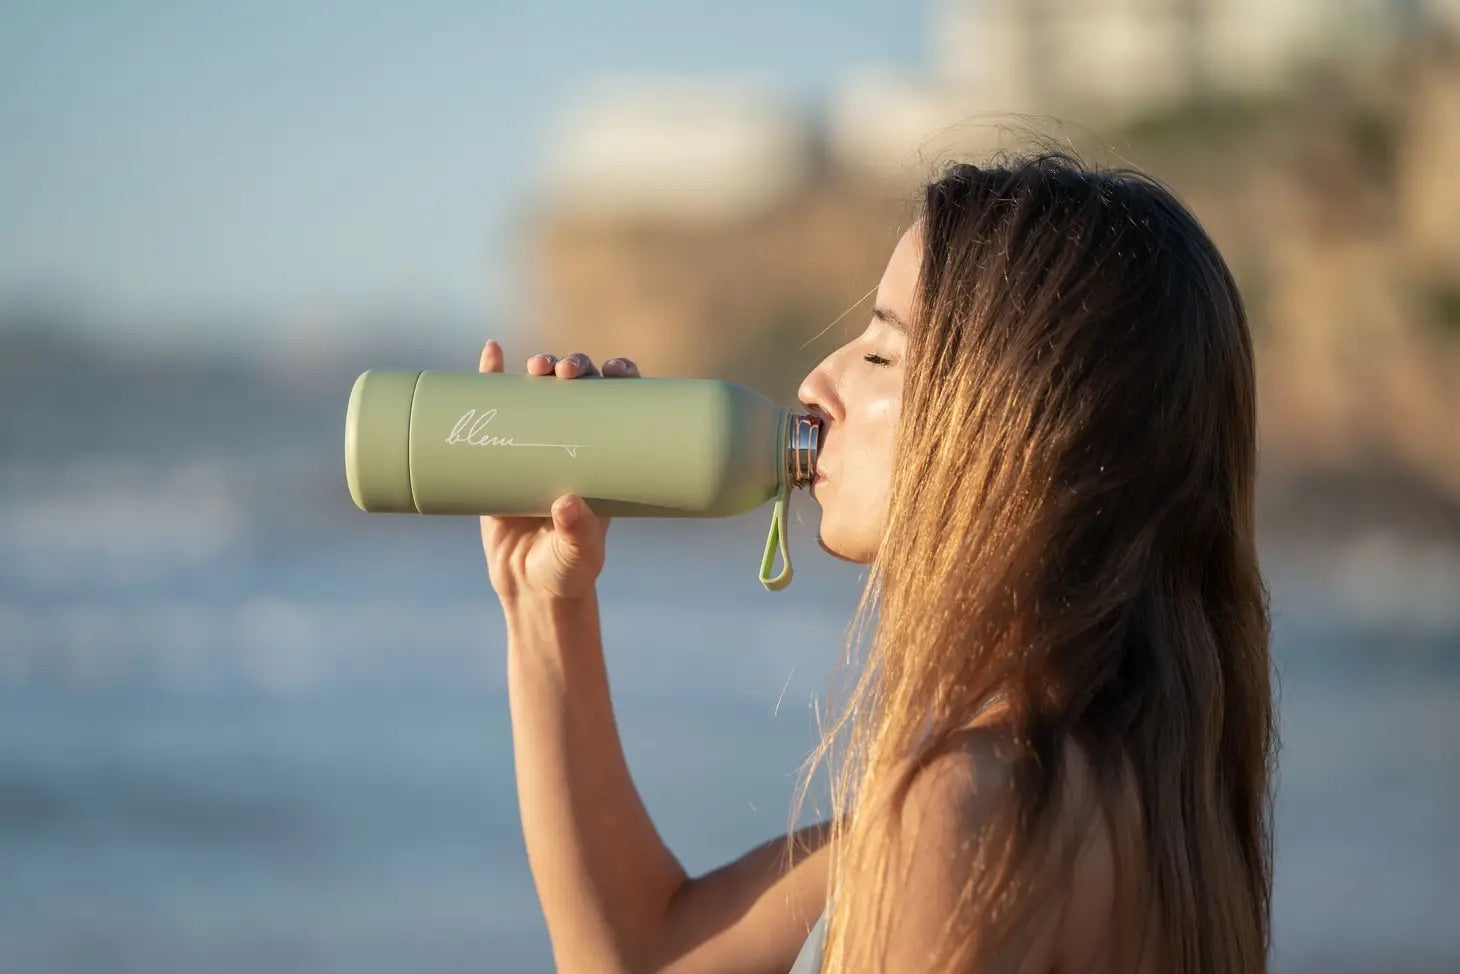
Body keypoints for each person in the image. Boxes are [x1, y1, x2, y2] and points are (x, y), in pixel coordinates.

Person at [476, 150, 1274, 973]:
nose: (818, 382)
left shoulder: (973, 813)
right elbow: (644, 954)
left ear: (1025, 428)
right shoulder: (1141, 798)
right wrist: (543, 607)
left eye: (884, 353)